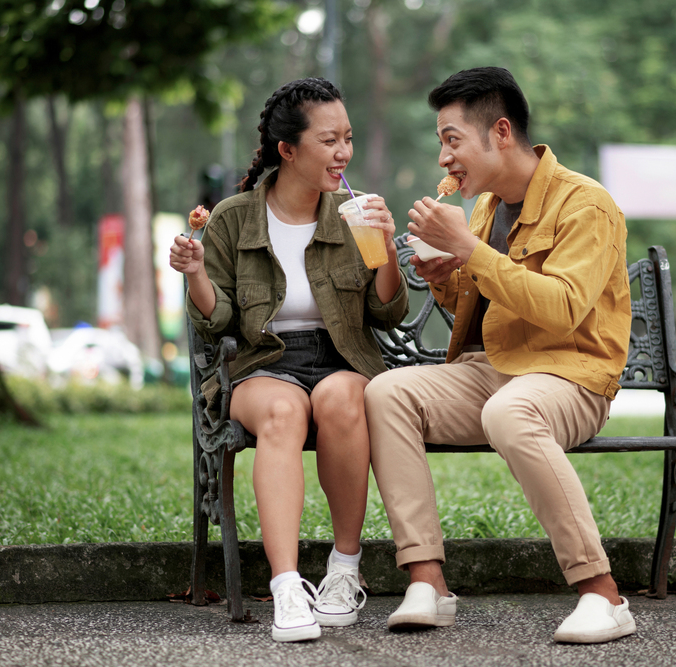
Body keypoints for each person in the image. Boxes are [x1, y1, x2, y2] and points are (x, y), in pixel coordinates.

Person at [365, 67, 635, 644]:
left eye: (452, 139)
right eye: (442, 141)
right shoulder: (488, 207)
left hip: (570, 374)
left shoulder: (588, 204)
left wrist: (470, 249)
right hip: (494, 371)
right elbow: (485, 305)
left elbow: (563, 308)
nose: (443, 158)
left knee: (510, 413)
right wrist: (446, 275)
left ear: (502, 132)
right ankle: (428, 582)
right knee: (386, 392)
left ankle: (602, 595)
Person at [170, 77, 408, 643]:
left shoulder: (355, 212)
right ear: (288, 150)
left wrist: (389, 251)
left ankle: (344, 572)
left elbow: (387, 313)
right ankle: (285, 586)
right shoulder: (232, 219)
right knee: (282, 413)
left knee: (348, 399)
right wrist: (196, 271)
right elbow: (219, 320)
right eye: (329, 141)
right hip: (261, 360)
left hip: (340, 354)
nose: (342, 153)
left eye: (347, 139)